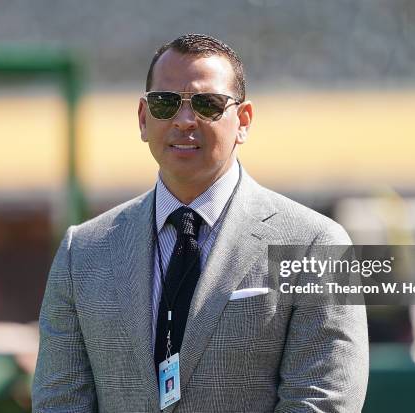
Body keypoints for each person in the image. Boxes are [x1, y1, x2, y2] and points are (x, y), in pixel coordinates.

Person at [32, 33, 368, 412]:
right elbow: (59, 401)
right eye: (165, 103)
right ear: (144, 119)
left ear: (243, 121)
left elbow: (322, 401)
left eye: (208, 105)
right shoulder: (84, 252)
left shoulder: (316, 244)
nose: (185, 120)